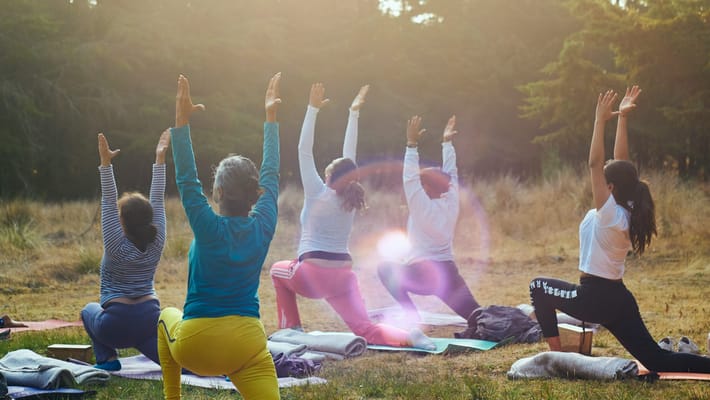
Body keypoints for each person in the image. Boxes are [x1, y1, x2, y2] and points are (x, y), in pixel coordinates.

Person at [529, 86, 710, 373]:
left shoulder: (610, 214)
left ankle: (560, 360)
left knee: (537, 287)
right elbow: (620, 162)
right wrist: (622, 119)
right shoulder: (625, 207)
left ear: (610, 186)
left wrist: (600, 121)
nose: (600, 177)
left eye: (605, 178)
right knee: (657, 360)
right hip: (617, 299)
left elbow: (594, 163)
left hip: (594, 298)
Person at [270, 83, 434, 350]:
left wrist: (312, 109)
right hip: (343, 276)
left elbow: (303, 149)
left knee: (277, 271)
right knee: (365, 328)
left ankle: (292, 329)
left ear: (327, 176)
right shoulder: (350, 198)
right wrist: (353, 113)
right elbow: (350, 157)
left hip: (311, 275)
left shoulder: (317, 192)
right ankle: (411, 336)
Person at [157, 73, 282, 400]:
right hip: (247, 345)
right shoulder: (264, 223)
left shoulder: (207, 226)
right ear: (255, 193)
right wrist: (271, 119)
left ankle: (172, 398)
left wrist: (180, 123)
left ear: (220, 192)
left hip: (196, 347)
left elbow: (186, 180)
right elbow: (271, 175)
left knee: (164, 318)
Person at [377, 115, 481, 323]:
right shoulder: (451, 201)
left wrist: (411, 145)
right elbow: (451, 173)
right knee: (479, 316)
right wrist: (447, 143)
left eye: (422, 184)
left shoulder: (421, 207)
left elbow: (409, 179)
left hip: (422, 275)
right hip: (448, 275)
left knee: (385, 268)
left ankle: (411, 315)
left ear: (427, 188)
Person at [80, 129, 169, 371]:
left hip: (115, 326)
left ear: (122, 221)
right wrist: (160, 160)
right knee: (177, 363)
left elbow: (109, 200)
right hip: (149, 320)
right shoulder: (157, 240)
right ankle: (211, 366)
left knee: (88, 310)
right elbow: (158, 200)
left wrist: (105, 163)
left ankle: (108, 360)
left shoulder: (115, 244)